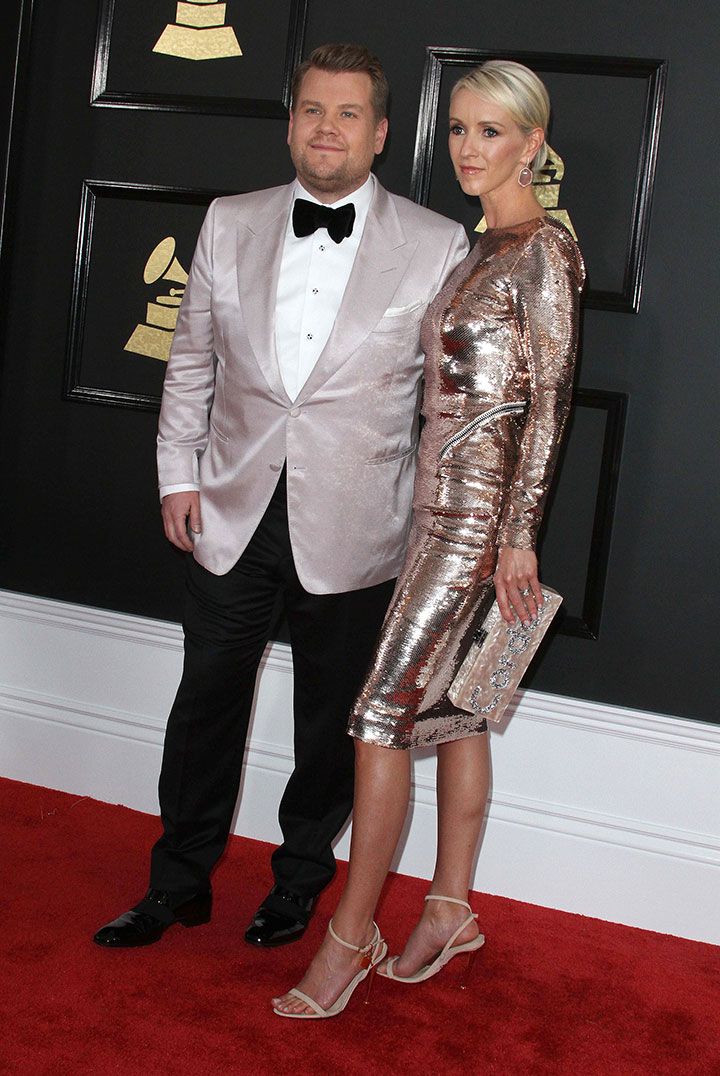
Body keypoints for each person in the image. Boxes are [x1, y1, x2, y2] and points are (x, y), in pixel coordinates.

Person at [92, 44, 468, 950]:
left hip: (359, 524)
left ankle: (300, 883)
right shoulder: (230, 220)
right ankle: (177, 881)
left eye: (346, 115)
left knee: (330, 725)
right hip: (230, 511)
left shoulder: (435, 242)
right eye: (310, 110)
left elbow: (444, 407)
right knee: (203, 707)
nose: (325, 129)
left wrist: (436, 530)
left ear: (379, 133)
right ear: (290, 120)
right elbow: (190, 362)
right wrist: (177, 476)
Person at [272, 59, 585, 1018]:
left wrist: (518, 538)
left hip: (478, 525)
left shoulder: (544, 255)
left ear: (532, 143)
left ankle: (351, 934)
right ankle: (448, 905)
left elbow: (550, 408)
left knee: (378, 718)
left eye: (491, 131)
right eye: (457, 128)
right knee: (454, 716)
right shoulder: (478, 248)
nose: (468, 148)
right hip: (427, 512)